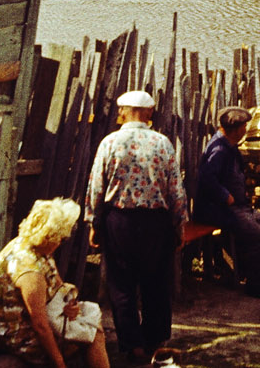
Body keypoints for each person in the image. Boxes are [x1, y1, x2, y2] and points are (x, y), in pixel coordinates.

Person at [86, 90, 186, 364]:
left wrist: (94, 221)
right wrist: (179, 225)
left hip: (120, 222)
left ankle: (133, 345)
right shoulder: (162, 143)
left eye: (120, 111)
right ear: (149, 113)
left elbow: (96, 186)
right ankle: (154, 340)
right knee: (156, 283)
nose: (117, 115)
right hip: (156, 222)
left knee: (122, 285)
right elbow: (176, 189)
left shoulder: (110, 143)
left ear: (126, 111)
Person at [0, 198, 112, 368]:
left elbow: (59, 286)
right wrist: (59, 363)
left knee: (89, 320)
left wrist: (70, 303)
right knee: (94, 333)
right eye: (60, 239)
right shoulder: (30, 272)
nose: (61, 243)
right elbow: (40, 326)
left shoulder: (32, 247)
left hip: (28, 325)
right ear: (49, 238)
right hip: (18, 338)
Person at [194, 105, 260, 297]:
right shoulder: (219, 149)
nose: (245, 130)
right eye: (243, 126)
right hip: (219, 209)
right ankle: (255, 285)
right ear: (235, 128)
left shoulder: (230, 147)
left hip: (238, 207)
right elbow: (207, 178)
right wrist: (225, 196)